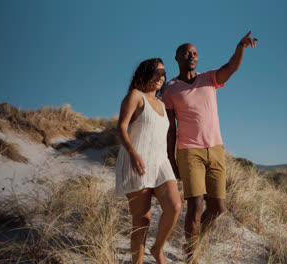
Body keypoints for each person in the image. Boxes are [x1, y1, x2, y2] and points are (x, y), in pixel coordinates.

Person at [162, 31, 258, 263]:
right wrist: (171, 159)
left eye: (195, 53)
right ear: (177, 58)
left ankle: (196, 239)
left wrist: (240, 46)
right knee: (196, 205)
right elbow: (170, 129)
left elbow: (231, 67)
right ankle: (191, 255)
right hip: (188, 151)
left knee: (218, 208)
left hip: (215, 149)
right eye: (187, 52)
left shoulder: (210, 78)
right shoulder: (170, 89)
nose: (192, 56)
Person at [115, 58, 181, 264]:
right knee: (142, 221)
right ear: (145, 73)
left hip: (160, 162)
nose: (160, 77)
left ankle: (157, 249)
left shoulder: (162, 103)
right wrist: (133, 154)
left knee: (175, 206)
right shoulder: (136, 96)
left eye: (163, 73)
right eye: (155, 72)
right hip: (137, 161)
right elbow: (121, 127)